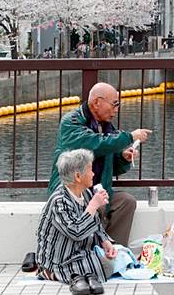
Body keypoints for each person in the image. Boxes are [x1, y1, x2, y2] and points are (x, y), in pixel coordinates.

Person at [47, 82, 152, 246]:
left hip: (98, 190)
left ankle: (116, 252)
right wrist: (130, 137)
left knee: (126, 202)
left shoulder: (107, 128)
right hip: (73, 192)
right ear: (97, 102)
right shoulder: (71, 122)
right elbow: (94, 144)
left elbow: (113, 164)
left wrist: (123, 158)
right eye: (114, 104)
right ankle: (94, 254)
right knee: (99, 205)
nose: (116, 110)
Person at [36, 149, 115, 294]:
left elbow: (95, 222)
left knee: (108, 265)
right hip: (59, 257)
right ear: (78, 176)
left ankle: (81, 274)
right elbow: (76, 232)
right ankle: (50, 273)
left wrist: (105, 241)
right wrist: (93, 205)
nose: (93, 174)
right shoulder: (59, 200)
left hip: (78, 252)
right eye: (90, 170)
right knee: (101, 268)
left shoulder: (84, 193)